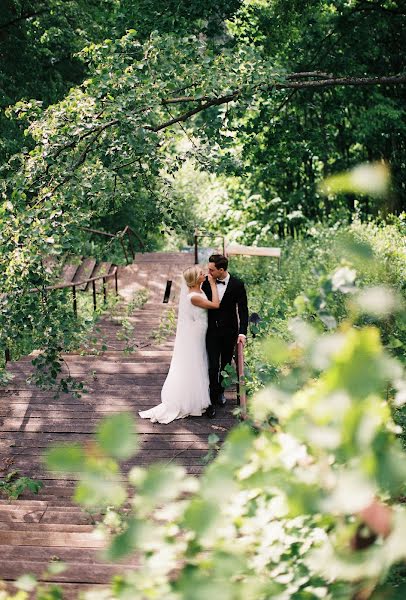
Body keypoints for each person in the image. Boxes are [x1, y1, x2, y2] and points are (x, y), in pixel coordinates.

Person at [138, 265, 220, 424]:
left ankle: (197, 398)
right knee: (195, 363)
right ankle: (190, 400)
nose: (205, 274)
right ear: (196, 279)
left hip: (200, 330)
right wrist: (213, 285)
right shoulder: (194, 297)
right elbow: (215, 305)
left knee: (199, 363)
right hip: (196, 333)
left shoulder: (198, 291)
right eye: (201, 273)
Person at [201, 254, 248, 419]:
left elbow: (243, 310)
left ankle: (221, 391)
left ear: (221, 270)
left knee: (225, 366)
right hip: (211, 331)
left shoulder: (237, 284)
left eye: (212, 269)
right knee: (213, 366)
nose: (208, 272)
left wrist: (242, 332)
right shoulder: (206, 282)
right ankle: (211, 400)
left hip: (230, 333)